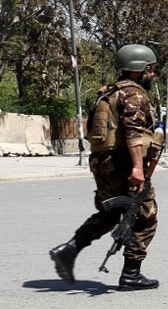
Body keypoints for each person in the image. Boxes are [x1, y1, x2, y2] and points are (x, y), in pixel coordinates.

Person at [49, 44, 162, 291]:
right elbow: (133, 133)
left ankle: (69, 250)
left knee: (110, 214)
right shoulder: (134, 94)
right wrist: (138, 168)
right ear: (137, 70)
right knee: (145, 216)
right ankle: (131, 274)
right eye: (149, 69)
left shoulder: (107, 93)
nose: (152, 74)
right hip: (123, 163)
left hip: (103, 163)